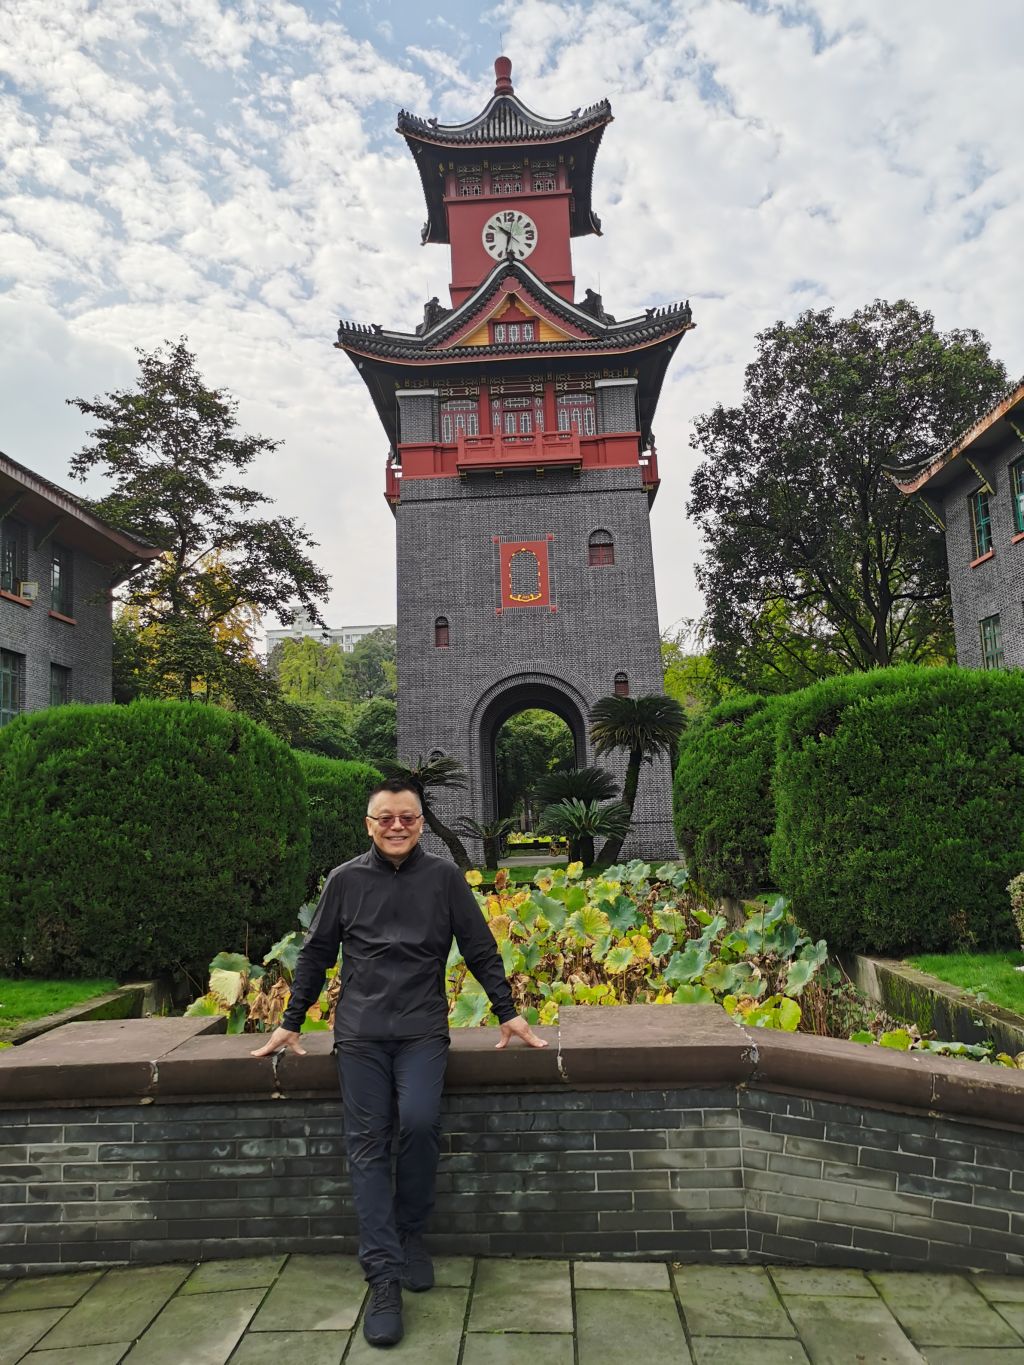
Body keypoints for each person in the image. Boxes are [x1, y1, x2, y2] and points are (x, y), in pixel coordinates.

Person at [252, 777, 547, 1349]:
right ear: (369, 825)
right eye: (385, 818)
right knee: (367, 1144)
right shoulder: (344, 880)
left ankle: (411, 1234)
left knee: (418, 1123)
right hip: (361, 1034)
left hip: (421, 1031)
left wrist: (508, 1011)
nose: (396, 826)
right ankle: (383, 1277)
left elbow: (479, 946)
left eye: (407, 818)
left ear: (420, 824)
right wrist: (291, 1019)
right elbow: (316, 954)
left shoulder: (443, 879)